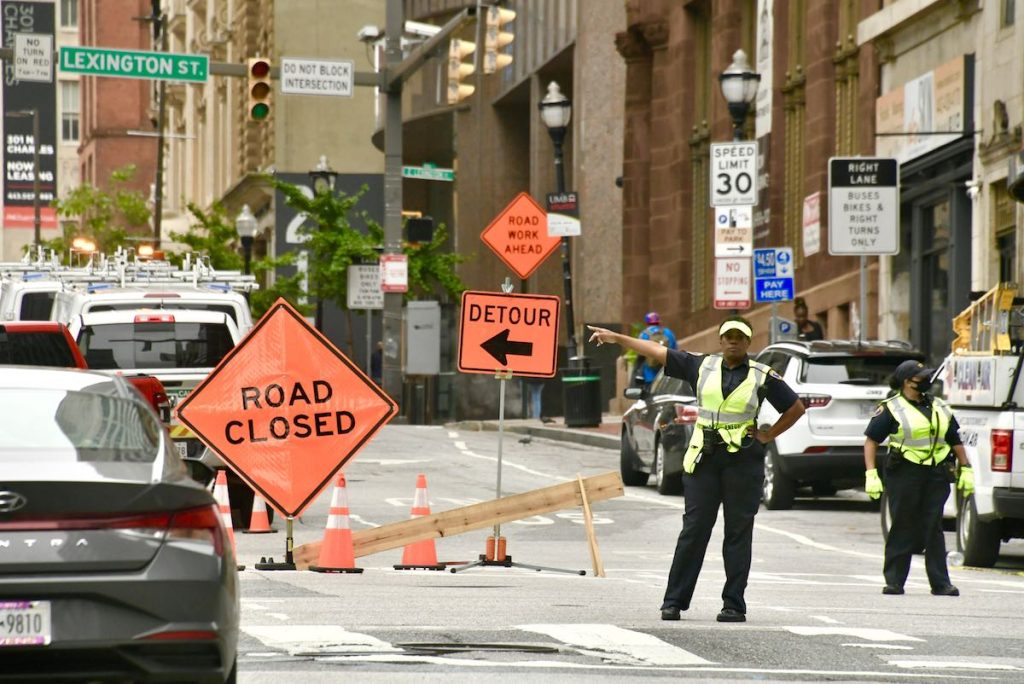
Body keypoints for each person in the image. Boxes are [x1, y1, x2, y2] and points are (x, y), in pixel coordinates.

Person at [588, 317, 806, 623]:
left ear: (747, 343)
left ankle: (733, 605)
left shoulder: (763, 375)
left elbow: (795, 408)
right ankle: (673, 602)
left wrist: (768, 435)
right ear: (720, 341)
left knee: (738, 534)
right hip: (704, 459)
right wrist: (617, 338)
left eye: (739, 337)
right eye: (727, 336)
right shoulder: (701, 365)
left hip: (742, 461)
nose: (732, 341)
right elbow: (656, 350)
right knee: (694, 530)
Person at [863, 360, 973, 596]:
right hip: (904, 471)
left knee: (933, 525)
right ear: (907, 381)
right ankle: (894, 581)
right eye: (921, 377)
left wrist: (966, 468)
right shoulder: (892, 408)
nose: (927, 381)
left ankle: (941, 583)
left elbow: (954, 439)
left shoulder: (940, 406)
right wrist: (871, 473)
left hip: (936, 472)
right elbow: (872, 440)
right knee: (903, 523)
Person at [637, 312, 677, 385]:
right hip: (667, 373)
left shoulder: (644, 334)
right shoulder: (668, 332)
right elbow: (675, 349)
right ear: (659, 321)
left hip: (650, 374)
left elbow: (640, 352)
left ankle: (638, 377)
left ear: (646, 322)